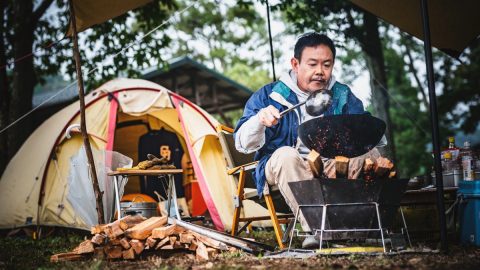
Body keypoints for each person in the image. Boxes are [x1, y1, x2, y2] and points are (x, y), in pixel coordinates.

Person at [234, 32, 385, 248]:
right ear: (295, 64)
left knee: (370, 153)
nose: (320, 72)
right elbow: (242, 143)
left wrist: (364, 132)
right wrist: (259, 120)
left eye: (326, 64)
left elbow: (368, 133)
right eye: (312, 64)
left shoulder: (341, 94)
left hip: (331, 167)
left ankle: (358, 228)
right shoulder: (271, 95)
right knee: (287, 154)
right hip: (284, 167)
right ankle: (318, 230)